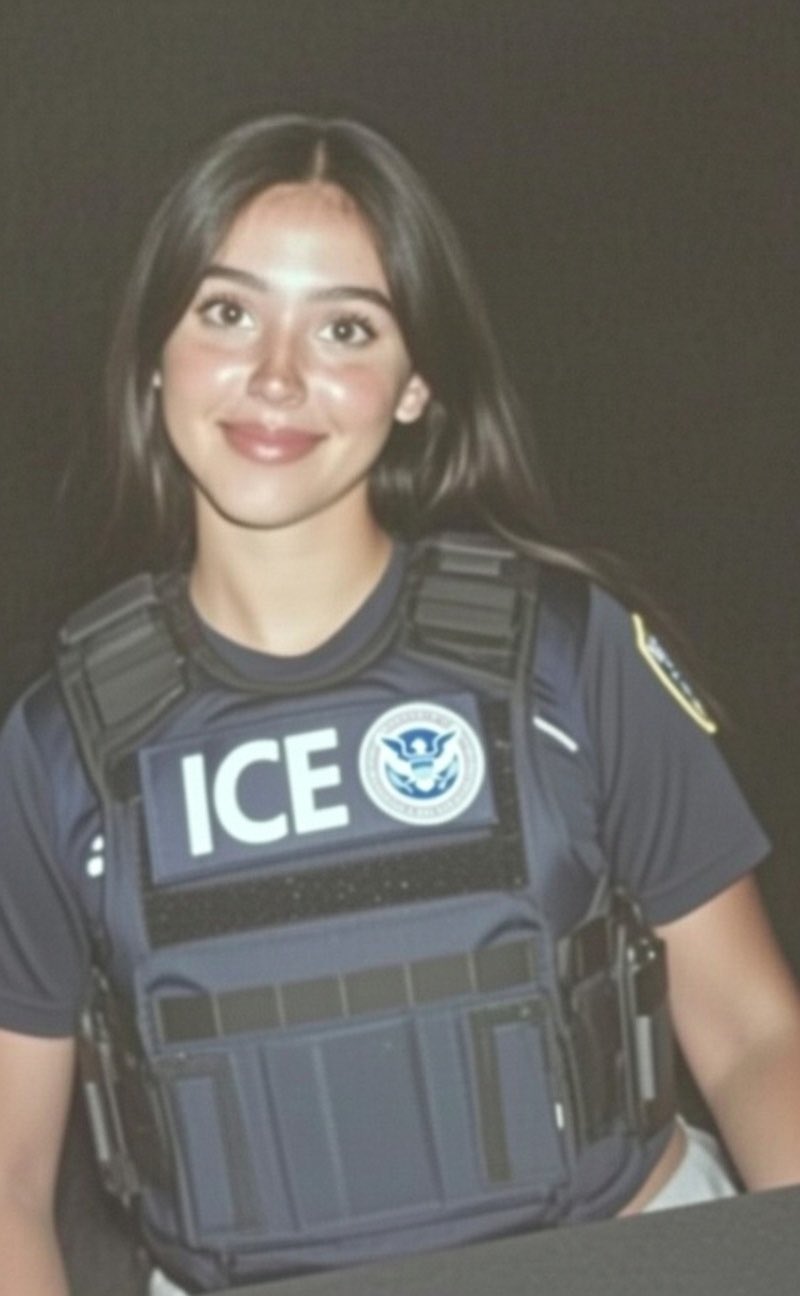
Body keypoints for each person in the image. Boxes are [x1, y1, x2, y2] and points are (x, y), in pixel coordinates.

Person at [1, 113, 799, 1296]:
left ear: (416, 382)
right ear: (156, 350)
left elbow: (751, 1035)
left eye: (345, 327)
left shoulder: (564, 655)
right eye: (226, 312)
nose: (277, 376)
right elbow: (11, 1177)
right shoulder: (59, 745)